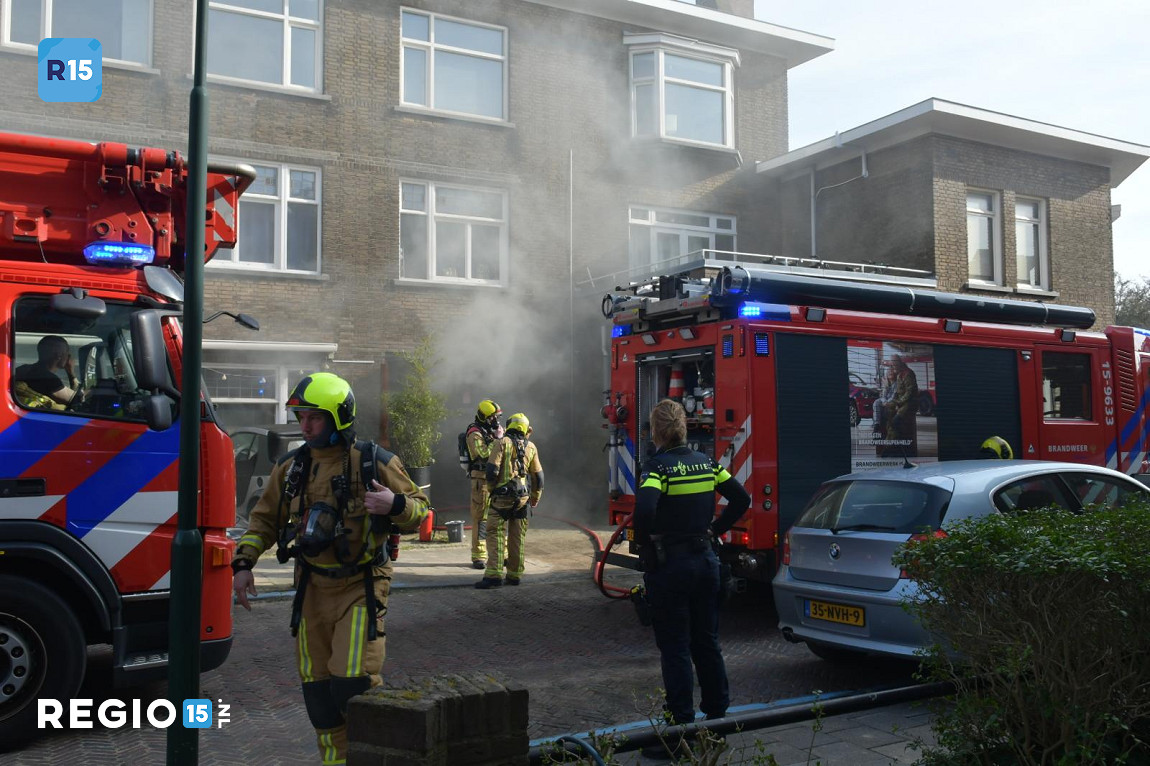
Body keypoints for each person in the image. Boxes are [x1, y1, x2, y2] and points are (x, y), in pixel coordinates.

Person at [231, 372, 429, 766]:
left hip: (361, 585)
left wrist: (395, 505)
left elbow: (421, 511)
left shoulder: (373, 462)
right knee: (318, 693)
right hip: (311, 590)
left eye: (314, 417)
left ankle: (374, 758)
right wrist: (243, 563)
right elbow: (263, 521)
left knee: (352, 684)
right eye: (301, 416)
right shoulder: (291, 469)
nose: (304, 425)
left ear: (340, 417)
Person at [633, 399, 751, 757]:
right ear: (683, 427)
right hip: (706, 562)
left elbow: (645, 508)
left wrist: (645, 546)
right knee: (706, 642)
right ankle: (716, 723)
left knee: (675, 648)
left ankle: (680, 731)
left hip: (672, 567)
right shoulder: (706, 463)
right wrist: (715, 530)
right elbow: (741, 498)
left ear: (656, 431)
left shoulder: (657, 468)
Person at [475, 412, 543, 589]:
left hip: (501, 499)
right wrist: (535, 497)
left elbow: (491, 471)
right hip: (522, 499)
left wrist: (491, 490)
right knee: (517, 537)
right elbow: (538, 477)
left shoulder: (501, 443)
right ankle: (514, 575)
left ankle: (494, 576)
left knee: (495, 534)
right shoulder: (532, 447)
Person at [464, 399, 504, 569]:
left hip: (494, 480)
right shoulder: (474, 433)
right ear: (485, 418)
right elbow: (482, 454)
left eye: (497, 417)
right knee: (481, 518)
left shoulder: (490, 430)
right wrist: (498, 439)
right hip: (481, 481)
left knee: (500, 517)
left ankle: (503, 554)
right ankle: (478, 556)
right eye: (493, 417)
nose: (496, 420)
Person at [14, 335, 80, 410]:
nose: (69, 357)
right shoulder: (48, 379)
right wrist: (71, 374)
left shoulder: (24, 369)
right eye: (68, 353)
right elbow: (77, 400)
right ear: (58, 355)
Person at [881, 355, 919, 457]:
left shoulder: (908, 374)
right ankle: (893, 447)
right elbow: (898, 392)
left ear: (899, 362)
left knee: (896, 421)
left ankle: (890, 448)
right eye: (892, 363)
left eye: (894, 362)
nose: (893, 365)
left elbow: (909, 394)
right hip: (901, 401)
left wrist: (897, 403)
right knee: (887, 413)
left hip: (910, 402)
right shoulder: (899, 374)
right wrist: (891, 403)